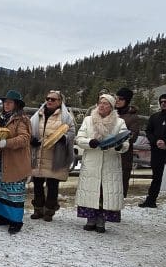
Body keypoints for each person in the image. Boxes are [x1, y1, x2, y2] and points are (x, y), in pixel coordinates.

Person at [75, 94, 129, 233]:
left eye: (106, 103)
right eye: (100, 102)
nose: (102, 105)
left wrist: (119, 146)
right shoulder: (88, 120)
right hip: (92, 161)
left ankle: (102, 220)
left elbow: (125, 142)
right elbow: (79, 138)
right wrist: (90, 142)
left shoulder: (119, 122)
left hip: (110, 162)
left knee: (105, 193)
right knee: (91, 191)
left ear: (111, 107)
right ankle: (90, 219)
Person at [0, 90, 31, 234]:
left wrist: (7, 142)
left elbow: (25, 138)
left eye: (10, 102)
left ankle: (16, 222)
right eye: (5, 102)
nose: (6, 104)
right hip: (0, 159)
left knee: (13, 192)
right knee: (0, 189)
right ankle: (3, 217)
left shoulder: (22, 120)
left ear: (16, 104)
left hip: (14, 161)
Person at [29, 90, 75, 221]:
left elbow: (72, 132)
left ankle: (49, 211)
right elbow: (30, 129)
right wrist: (31, 139)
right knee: (37, 183)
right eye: (48, 98)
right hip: (38, 153)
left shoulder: (65, 117)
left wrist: (64, 138)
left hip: (56, 155)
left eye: (53, 99)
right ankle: (38, 209)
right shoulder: (38, 114)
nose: (49, 101)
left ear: (60, 102)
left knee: (53, 184)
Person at [115, 87, 141, 197]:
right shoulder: (111, 113)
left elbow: (132, 136)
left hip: (123, 156)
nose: (117, 100)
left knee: (120, 187)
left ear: (127, 101)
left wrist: (116, 141)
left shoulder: (133, 117)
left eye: (121, 99)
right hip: (108, 154)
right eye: (116, 98)